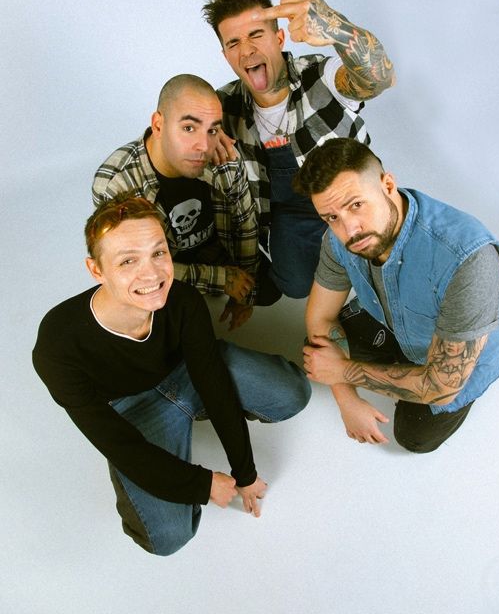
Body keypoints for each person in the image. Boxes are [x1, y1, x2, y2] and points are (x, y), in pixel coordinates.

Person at [32, 194, 311, 556]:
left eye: (158, 253)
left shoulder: (183, 301)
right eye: (128, 261)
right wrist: (203, 484)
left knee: (291, 392)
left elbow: (213, 383)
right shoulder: (57, 345)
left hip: (187, 373)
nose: (151, 274)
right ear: (96, 270)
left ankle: (193, 413)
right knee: (167, 537)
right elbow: (119, 444)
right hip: (131, 410)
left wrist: (244, 472)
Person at [294, 138, 499, 452]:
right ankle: (400, 362)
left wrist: (341, 371)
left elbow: (441, 388)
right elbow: (320, 317)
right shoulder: (340, 238)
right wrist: (346, 398)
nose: (349, 230)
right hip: (394, 320)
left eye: (356, 205)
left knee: (414, 437)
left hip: (464, 353)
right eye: (332, 217)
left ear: (388, 185)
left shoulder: (467, 260)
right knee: (315, 347)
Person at [202, 0, 395, 298]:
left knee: (383, 265)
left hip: (350, 195)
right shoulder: (222, 106)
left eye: (256, 35)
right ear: (226, 55)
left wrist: (336, 28)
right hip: (290, 211)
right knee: (294, 286)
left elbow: (379, 79)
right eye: (234, 42)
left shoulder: (320, 74)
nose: (246, 50)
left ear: (279, 38)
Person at [93, 73, 278, 332]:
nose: (203, 146)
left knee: (270, 289)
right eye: (189, 128)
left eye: (212, 130)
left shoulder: (223, 158)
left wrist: (244, 289)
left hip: (213, 249)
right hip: (164, 262)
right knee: (160, 309)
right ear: (158, 125)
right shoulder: (116, 184)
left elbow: (245, 223)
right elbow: (134, 264)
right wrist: (222, 280)